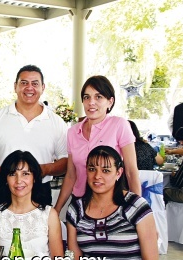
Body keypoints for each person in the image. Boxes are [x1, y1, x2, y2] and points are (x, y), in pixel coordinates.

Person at [0, 65, 68, 210]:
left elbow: (66, 160)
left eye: (35, 83)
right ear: (15, 86)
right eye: (24, 83)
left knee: (40, 232)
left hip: (39, 190)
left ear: (43, 87)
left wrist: (45, 169)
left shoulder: (56, 122)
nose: (29, 88)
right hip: (1, 188)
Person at [67, 146, 158, 260]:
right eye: (92, 169)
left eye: (106, 170)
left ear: (118, 172)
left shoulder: (136, 206)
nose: (97, 176)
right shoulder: (75, 210)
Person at [55, 76, 141, 214]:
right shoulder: (73, 132)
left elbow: (131, 171)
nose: (91, 102)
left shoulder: (119, 125)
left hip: (111, 202)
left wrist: (139, 210)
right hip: (80, 202)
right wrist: (57, 209)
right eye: (86, 97)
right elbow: (71, 175)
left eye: (98, 97)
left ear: (110, 101)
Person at [0, 150, 63, 259]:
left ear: (34, 178)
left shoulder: (49, 214)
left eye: (25, 174)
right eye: (12, 174)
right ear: (6, 179)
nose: (19, 180)